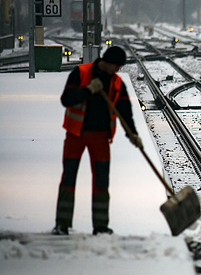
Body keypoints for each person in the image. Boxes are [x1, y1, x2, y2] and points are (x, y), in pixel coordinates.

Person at [52, 46, 143, 236]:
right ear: (107, 62)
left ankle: (101, 226)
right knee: (68, 178)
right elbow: (66, 99)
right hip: (75, 134)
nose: (117, 71)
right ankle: (62, 224)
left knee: (101, 181)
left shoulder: (117, 83)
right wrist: (88, 90)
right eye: (115, 66)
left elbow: (125, 111)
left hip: (101, 137)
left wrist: (132, 134)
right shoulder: (81, 73)